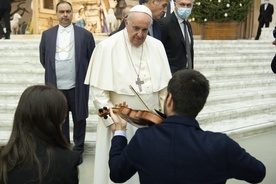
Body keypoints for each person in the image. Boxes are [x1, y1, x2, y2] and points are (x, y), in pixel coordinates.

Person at [108, 69, 266, 184]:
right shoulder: (221, 145)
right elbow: (258, 173)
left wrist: (120, 132)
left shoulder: (143, 139)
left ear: (169, 100)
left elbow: (117, 174)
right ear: (200, 104)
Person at [84, 5, 172, 184]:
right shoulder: (106, 47)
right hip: (120, 124)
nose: (140, 34)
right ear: (126, 22)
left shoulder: (157, 47)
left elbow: (164, 90)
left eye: (145, 30)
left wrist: (165, 119)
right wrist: (112, 122)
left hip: (151, 123)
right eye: (136, 28)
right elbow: (97, 96)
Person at [39, 1, 95, 162]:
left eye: (68, 12)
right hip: (55, 87)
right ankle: (64, 147)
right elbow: (44, 59)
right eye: (61, 12)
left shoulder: (85, 35)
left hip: (77, 85)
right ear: (56, 14)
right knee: (59, 119)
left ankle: (78, 149)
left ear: (72, 13)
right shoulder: (47, 35)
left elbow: (91, 59)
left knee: (79, 117)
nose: (65, 15)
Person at [0, 85, 80, 184]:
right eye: (62, 116)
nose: (64, 120)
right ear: (54, 122)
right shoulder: (67, 162)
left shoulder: (4, 160)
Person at [158, 0, 194, 74]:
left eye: (188, 5)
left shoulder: (187, 25)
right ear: (175, 5)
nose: (185, 8)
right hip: (172, 75)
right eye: (182, 4)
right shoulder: (164, 24)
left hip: (187, 74)